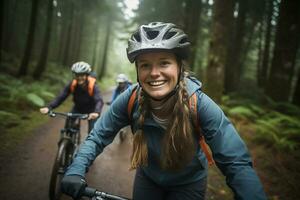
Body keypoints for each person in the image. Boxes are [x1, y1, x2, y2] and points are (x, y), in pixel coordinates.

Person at [61, 22, 267, 200]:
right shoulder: (131, 98)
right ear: (138, 70)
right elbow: (97, 136)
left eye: (164, 63)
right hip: (148, 179)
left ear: (179, 67)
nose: (154, 73)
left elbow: (236, 162)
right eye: (145, 65)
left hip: (189, 184)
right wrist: (76, 169)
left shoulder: (199, 104)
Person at [40, 61, 104, 133]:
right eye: (77, 75)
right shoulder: (73, 84)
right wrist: (49, 107)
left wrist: (96, 112)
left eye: (82, 75)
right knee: (68, 126)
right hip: (77, 108)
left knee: (93, 133)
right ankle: (68, 141)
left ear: (86, 75)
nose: (79, 77)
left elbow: (99, 100)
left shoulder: (93, 86)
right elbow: (61, 96)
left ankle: (92, 143)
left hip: (91, 110)